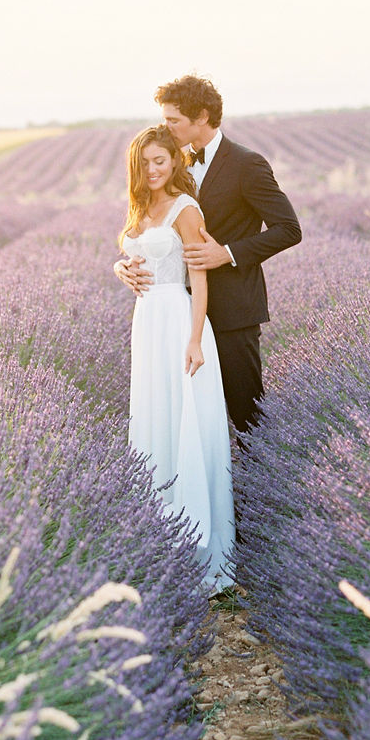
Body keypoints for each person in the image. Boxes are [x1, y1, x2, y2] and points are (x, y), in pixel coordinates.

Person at [115, 75, 301, 435]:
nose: (165, 127)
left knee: (245, 415)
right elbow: (151, 228)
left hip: (232, 311)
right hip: (179, 316)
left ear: (201, 116)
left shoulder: (248, 164)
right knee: (186, 419)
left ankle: (260, 489)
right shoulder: (171, 162)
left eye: (173, 120)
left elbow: (289, 230)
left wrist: (227, 253)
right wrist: (123, 266)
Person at [119, 123, 235, 591]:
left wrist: (194, 340)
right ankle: (160, 545)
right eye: (144, 163)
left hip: (178, 320)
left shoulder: (186, 209)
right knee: (155, 417)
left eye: (159, 161)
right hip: (146, 324)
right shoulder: (140, 206)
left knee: (185, 421)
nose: (151, 169)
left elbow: (200, 276)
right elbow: (126, 246)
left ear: (174, 161)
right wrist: (118, 266)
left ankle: (202, 552)